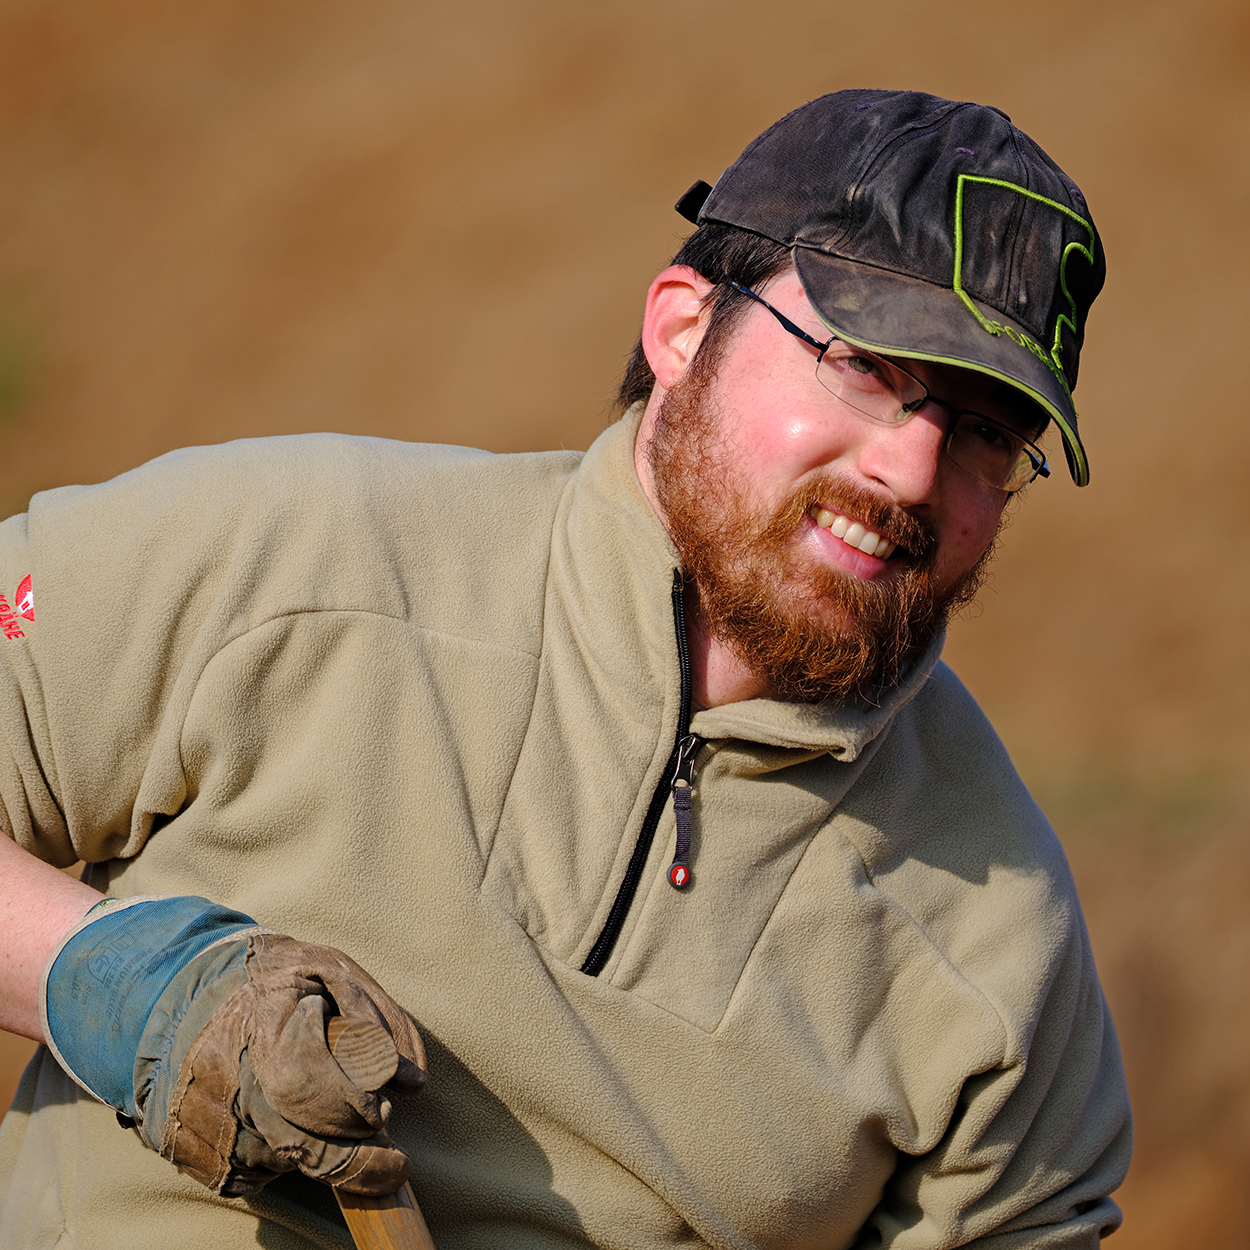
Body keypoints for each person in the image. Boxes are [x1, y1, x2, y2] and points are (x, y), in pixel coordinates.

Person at [0, 89, 1130, 1248]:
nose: (909, 469)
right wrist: (120, 983)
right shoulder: (294, 561)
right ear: (683, 328)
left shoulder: (1000, 940)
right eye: (860, 367)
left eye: (987, 430)